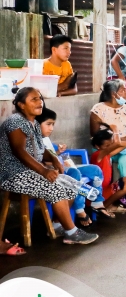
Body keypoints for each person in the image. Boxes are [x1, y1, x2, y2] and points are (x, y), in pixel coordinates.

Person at [0, 88, 97, 245]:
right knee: (56, 188)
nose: (40, 102)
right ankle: (72, 233)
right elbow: (19, 151)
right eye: (34, 99)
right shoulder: (15, 121)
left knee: (70, 184)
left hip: (31, 172)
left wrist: (54, 159)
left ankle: (58, 225)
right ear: (21, 105)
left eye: (40, 98)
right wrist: (44, 170)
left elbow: (39, 150)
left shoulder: (34, 124)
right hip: (14, 174)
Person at [36, 108, 102, 228]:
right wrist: (54, 163)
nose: (51, 128)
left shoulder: (46, 139)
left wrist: (58, 152)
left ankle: (97, 202)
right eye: (48, 124)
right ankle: (80, 209)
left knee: (95, 170)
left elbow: (51, 156)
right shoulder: (34, 141)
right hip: (56, 172)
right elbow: (41, 163)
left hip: (63, 166)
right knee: (74, 174)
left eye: (53, 124)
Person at [90, 79, 126, 181]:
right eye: (123, 90)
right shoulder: (98, 109)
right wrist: (111, 142)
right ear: (114, 94)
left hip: (124, 146)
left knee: (124, 160)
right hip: (106, 147)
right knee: (105, 159)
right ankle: (109, 186)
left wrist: (121, 140)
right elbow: (94, 134)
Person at [89, 127, 126, 217]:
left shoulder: (107, 155)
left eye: (111, 144)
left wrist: (113, 140)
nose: (110, 147)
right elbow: (119, 143)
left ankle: (108, 205)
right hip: (99, 191)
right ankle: (103, 207)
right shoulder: (98, 155)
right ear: (97, 146)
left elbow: (125, 144)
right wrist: (115, 130)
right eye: (107, 146)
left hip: (107, 188)